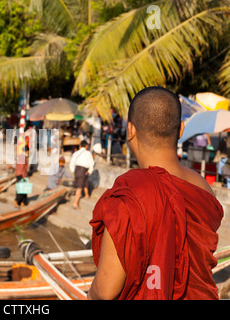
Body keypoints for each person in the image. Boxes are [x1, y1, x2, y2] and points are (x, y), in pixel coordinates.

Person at [88, 87, 224, 300]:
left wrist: (90, 295)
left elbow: (106, 291)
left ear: (130, 130)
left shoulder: (132, 192)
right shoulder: (202, 187)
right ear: (180, 130)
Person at [70, 140, 95, 209]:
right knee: (79, 187)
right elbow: (91, 163)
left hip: (76, 169)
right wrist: (90, 170)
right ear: (86, 146)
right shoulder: (88, 153)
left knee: (85, 181)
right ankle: (75, 203)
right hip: (83, 170)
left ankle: (87, 195)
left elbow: (72, 162)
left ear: (80, 146)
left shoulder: (76, 153)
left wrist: (73, 170)